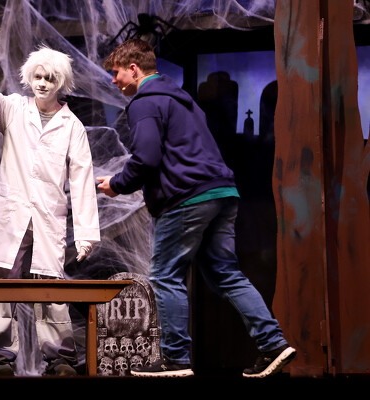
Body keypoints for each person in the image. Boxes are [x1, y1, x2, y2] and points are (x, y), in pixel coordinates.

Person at [97, 39, 296, 378]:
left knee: (165, 275)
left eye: (116, 73)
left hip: (187, 199)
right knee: (226, 275)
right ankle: (273, 344)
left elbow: (147, 158)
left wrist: (117, 184)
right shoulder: (183, 99)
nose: (113, 81)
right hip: (221, 193)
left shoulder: (145, 102)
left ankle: (175, 359)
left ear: (134, 68)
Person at [0, 45, 100, 376]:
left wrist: (85, 234)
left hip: (47, 216)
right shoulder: (14, 108)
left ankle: (60, 358)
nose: (42, 83)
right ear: (28, 77)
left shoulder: (72, 126)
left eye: (50, 78)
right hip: (11, 213)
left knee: (52, 286)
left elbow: (82, 180)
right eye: (37, 76)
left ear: (60, 83)